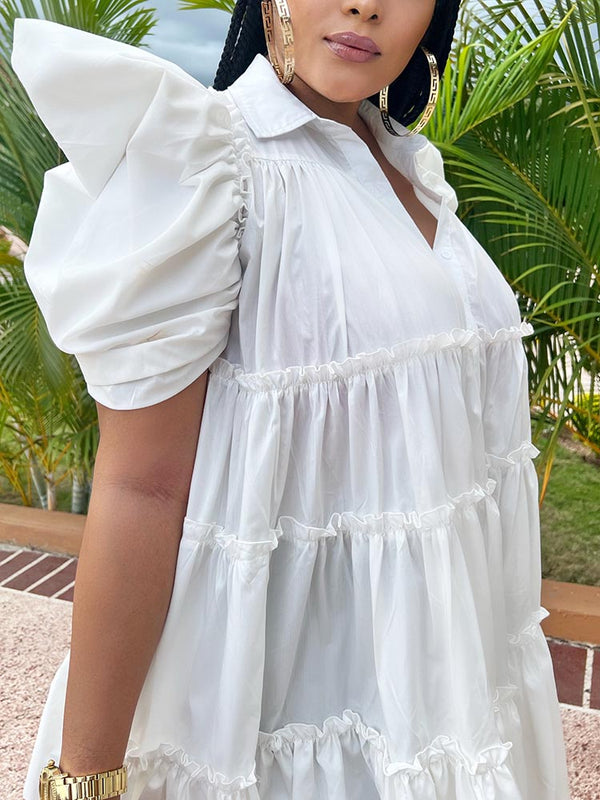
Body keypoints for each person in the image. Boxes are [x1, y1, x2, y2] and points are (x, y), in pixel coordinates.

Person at [10, 0, 571, 798]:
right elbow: (142, 486)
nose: (365, 5)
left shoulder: (405, 161)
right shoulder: (211, 167)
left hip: (436, 694)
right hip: (273, 716)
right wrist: (84, 781)